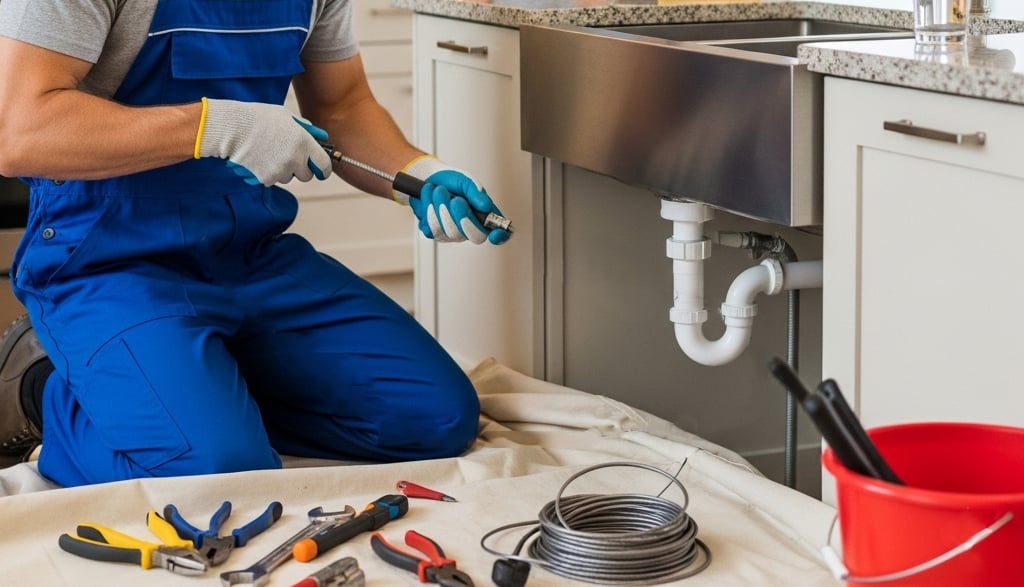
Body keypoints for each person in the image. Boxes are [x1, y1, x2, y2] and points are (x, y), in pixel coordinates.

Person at [0, 0, 510, 487]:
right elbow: (21, 133)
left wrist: (419, 172)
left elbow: (343, 104)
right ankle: (46, 390)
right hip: (110, 261)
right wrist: (218, 125)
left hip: (250, 252)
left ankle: (199, 393)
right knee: (219, 472)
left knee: (434, 418)